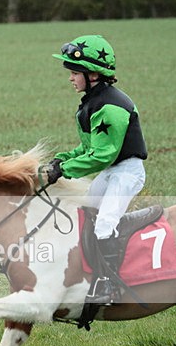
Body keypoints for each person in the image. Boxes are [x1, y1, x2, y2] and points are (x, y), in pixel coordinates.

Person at [43, 34, 147, 305]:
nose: (70, 78)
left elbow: (103, 155)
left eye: (74, 72)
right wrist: (60, 160)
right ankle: (84, 273)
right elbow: (88, 148)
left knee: (103, 224)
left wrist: (64, 170)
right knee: (84, 215)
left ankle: (110, 285)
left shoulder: (110, 106)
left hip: (125, 173)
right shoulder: (93, 100)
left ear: (93, 74)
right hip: (112, 171)